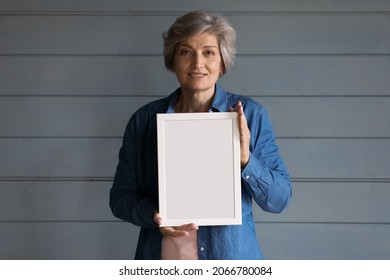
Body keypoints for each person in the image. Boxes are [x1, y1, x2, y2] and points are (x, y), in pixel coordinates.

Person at [109, 10, 292, 260]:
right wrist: (154, 214)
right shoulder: (144, 121)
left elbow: (279, 199)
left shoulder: (250, 115)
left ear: (222, 62)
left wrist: (245, 161)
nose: (197, 64)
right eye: (186, 52)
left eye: (209, 52)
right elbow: (120, 198)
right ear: (173, 60)